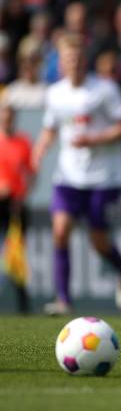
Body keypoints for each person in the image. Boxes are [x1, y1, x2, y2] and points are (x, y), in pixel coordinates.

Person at [32, 33, 121, 315]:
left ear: (85, 61)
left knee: (98, 241)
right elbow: (51, 126)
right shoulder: (55, 94)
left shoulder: (104, 90)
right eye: (68, 59)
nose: (73, 63)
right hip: (68, 176)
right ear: (61, 63)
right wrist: (40, 148)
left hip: (103, 176)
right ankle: (63, 300)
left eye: (77, 58)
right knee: (60, 231)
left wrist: (94, 139)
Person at [0, 102, 34, 313]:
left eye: (10, 115)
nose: (7, 118)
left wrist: (21, 195)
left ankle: (23, 306)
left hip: (15, 207)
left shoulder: (23, 142)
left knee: (16, 256)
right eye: (4, 114)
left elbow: (30, 174)